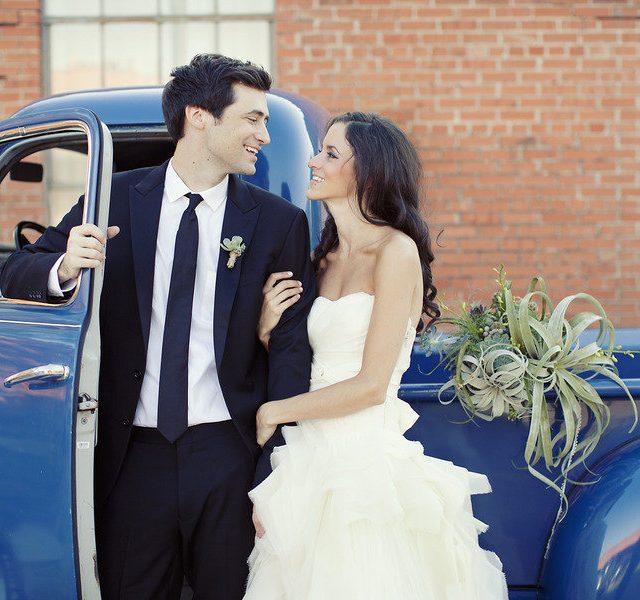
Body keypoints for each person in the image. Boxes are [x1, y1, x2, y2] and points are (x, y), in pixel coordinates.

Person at [0, 54, 315, 600]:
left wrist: (277, 469)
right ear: (199, 116)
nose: (262, 135)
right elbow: (17, 271)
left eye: (266, 122)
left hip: (229, 453)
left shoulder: (275, 221)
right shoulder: (114, 196)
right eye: (251, 119)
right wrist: (66, 264)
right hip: (132, 454)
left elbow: (290, 350)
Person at [243, 112, 508, 599]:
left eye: (330, 154)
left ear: (367, 172)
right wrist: (266, 333)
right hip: (305, 459)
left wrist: (274, 411)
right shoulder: (322, 259)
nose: (313, 161)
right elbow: (305, 363)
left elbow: (370, 385)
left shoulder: (396, 252)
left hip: (363, 468)